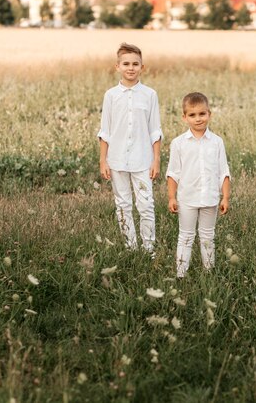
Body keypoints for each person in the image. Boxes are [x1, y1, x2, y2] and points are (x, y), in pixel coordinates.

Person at [98, 43, 162, 254]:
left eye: (135, 64)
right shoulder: (111, 95)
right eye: (126, 64)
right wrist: (103, 160)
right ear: (117, 66)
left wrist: (156, 160)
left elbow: (155, 130)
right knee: (123, 204)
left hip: (143, 159)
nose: (131, 68)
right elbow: (105, 130)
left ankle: (148, 248)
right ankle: (130, 247)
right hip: (116, 160)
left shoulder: (150, 95)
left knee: (146, 205)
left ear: (142, 67)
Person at [167, 92, 230, 278]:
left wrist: (225, 196)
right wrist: (172, 197)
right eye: (192, 115)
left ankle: (209, 272)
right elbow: (173, 172)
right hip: (187, 198)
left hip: (210, 198)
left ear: (209, 114)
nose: (198, 119)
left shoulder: (217, 142)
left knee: (207, 236)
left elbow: (223, 171)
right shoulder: (178, 143)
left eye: (202, 114)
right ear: (184, 117)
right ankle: (180, 274)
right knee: (185, 236)